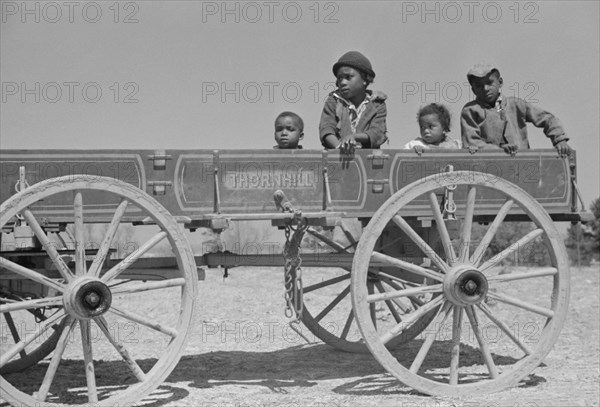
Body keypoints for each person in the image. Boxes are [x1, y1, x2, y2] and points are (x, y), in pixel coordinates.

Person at [461, 63, 571, 157]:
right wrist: (500, 151)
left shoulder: (516, 105)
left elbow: (547, 118)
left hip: (521, 164)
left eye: (489, 83)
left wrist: (560, 140)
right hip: (488, 169)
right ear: (473, 89)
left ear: (500, 82)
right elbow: (472, 143)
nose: (485, 89)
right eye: (479, 86)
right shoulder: (470, 111)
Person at [319, 51, 387, 153]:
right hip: (337, 159)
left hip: (367, 162)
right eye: (339, 78)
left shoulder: (377, 104)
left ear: (365, 79)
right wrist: (339, 147)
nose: (342, 82)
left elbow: (378, 133)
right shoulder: (333, 101)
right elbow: (326, 128)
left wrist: (353, 137)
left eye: (348, 77)